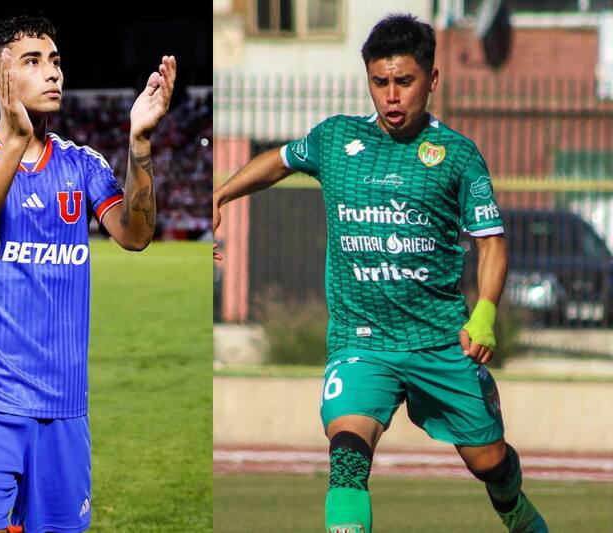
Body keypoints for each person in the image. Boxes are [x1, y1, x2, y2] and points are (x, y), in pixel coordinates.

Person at [213, 14, 548, 533]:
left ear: (432, 79)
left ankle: (514, 503)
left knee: (490, 463)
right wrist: (220, 195)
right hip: (361, 342)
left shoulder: (457, 156)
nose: (391, 96)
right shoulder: (335, 139)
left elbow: (491, 243)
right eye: (380, 82)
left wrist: (484, 315)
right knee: (347, 458)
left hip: (440, 342)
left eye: (405, 81)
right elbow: (278, 161)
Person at [0, 15, 175, 532]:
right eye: (33, 62)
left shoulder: (82, 164)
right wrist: (15, 142)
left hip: (63, 404)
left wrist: (140, 142)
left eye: (55, 61)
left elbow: (135, 234)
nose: (53, 72)